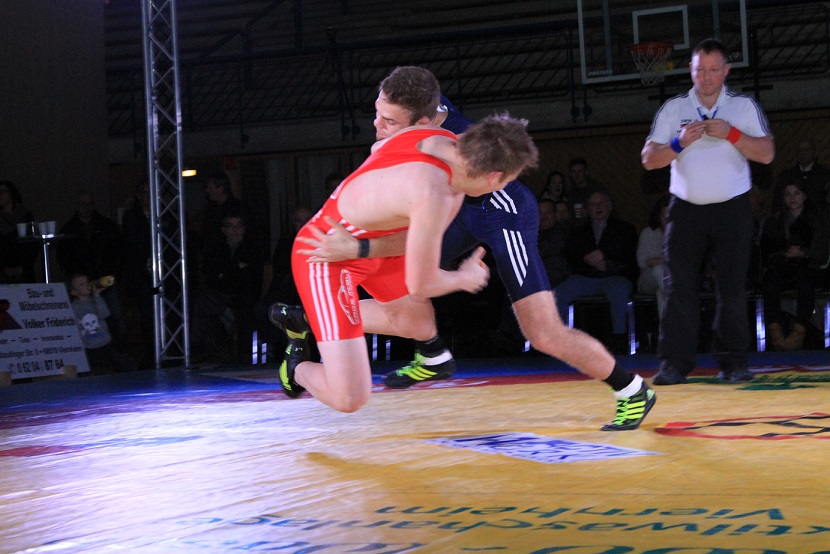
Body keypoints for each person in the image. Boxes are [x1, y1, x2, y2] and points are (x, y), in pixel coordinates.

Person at [294, 66, 656, 431]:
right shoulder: (422, 120)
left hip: (499, 213)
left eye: (389, 121)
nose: (379, 127)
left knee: (541, 331)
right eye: (380, 116)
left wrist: (360, 247)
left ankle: (631, 389)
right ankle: (423, 350)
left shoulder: (444, 165)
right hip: (455, 200)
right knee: (409, 269)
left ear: (424, 119)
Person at [271, 71, 537, 414]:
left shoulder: (441, 139)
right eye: (506, 183)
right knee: (350, 397)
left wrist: (378, 207)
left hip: (372, 240)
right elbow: (422, 282)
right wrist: (464, 278)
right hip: (327, 252)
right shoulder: (435, 194)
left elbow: (380, 148)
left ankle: (307, 320)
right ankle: (297, 367)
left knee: (419, 325)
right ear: (493, 177)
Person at [641, 38, 775, 385]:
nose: (707, 77)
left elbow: (767, 154)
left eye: (714, 70)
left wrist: (732, 134)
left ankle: (733, 363)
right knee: (678, 287)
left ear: (726, 71)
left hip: (733, 209)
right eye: (701, 70)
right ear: (691, 70)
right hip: (686, 210)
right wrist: (679, 142)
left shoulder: (743, 107)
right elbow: (649, 160)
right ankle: (674, 364)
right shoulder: (674, 108)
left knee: (732, 287)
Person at [554, 190, 638, 354]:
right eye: (593, 204)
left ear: (610, 206)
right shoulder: (578, 231)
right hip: (586, 276)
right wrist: (586, 258)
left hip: (615, 276)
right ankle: (560, 341)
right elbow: (571, 252)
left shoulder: (625, 228)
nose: (598, 207)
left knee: (619, 293)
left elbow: (627, 250)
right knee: (558, 294)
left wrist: (604, 255)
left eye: (601, 203)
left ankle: (619, 340)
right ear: (587, 209)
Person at [760, 181, 830, 350]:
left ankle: (799, 332)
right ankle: (775, 333)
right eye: (788, 194)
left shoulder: (817, 220)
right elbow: (766, 252)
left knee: (806, 283)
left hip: (810, 266)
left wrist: (802, 253)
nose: (792, 198)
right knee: (770, 281)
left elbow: (822, 253)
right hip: (783, 267)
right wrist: (784, 254)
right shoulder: (775, 222)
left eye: (796, 193)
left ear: (804, 196)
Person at [56, 191, 126, 349]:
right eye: (83, 203)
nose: (86, 207)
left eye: (89, 203)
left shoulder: (107, 226)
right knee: (84, 319)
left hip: (105, 280)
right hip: (81, 284)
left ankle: (119, 350)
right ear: (77, 206)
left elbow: (118, 252)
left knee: (115, 315)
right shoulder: (68, 230)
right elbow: (64, 258)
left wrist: (114, 275)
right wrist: (75, 281)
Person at [193, 211, 263, 362]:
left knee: (245, 309)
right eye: (231, 226)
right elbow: (212, 275)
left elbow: (250, 276)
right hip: (220, 294)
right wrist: (236, 268)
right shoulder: (216, 249)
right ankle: (211, 348)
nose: (235, 230)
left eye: (239, 225)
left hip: (243, 295)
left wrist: (226, 273)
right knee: (201, 302)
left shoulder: (252, 248)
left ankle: (241, 355)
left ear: (244, 228)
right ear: (224, 230)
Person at [68, 273, 136, 374]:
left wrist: (97, 296)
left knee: (122, 365)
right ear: (74, 292)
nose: (87, 285)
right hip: (87, 346)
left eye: (87, 282)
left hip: (104, 343)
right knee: (86, 370)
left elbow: (105, 314)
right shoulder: (73, 307)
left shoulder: (96, 300)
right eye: (81, 284)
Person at [120, 181, 155, 364]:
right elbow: (132, 246)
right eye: (142, 193)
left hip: (166, 273)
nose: (145, 197)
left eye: (148, 192)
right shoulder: (131, 216)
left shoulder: (167, 213)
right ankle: (151, 353)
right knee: (147, 314)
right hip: (143, 274)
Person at [772, 139, 830, 212]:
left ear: (815, 153)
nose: (802, 153)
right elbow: (777, 200)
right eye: (800, 150)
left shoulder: (824, 174)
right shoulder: (786, 176)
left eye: (806, 150)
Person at [636, 194, 669, 319]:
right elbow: (642, 262)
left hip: (675, 280)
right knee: (659, 270)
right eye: (665, 217)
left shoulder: (684, 234)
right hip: (648, 279)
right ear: (658, 217)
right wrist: (666, 261)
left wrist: (656, 260)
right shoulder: (649, 233)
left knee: (661, 293)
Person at [0, 180, 38, 284]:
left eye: (3, 192)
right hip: (3, 271)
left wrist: (22, 267)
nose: (0, 195)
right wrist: (4, 268)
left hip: (25, 269)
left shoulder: (24, 215)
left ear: (11, 193)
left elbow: (33, 243)